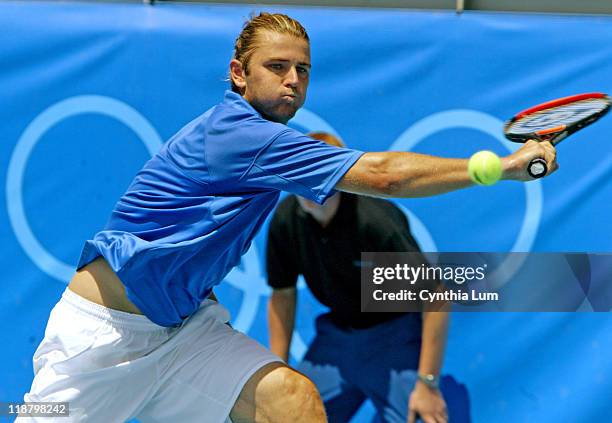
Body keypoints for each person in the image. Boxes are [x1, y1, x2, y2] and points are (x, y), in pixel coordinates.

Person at [20, 12, 557, 423]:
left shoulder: (288, 164)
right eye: (277, 67)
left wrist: (426, 378)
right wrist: (501, 168)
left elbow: (431, 287)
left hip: (184, 330)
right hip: (103, 339)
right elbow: (386, 175)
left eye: (302, 69)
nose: (293, 80)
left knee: (293, 400)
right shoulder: (238, 134)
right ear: (238, 74)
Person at [266, 132, 467, 423]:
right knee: (283, 414)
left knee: (421, 415)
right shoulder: (285, 219)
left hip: (394, 336)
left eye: (321, 173)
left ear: (341, 177)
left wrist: (428, 384)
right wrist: (278, 370)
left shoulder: (376, 221)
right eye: (302, 174)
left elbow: (436, 295)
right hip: (335, 339)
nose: (311, 186)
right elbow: (282, 293)